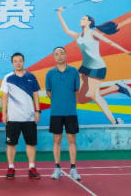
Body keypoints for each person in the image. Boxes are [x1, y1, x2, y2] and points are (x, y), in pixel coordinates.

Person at [56, 8, 131, 124]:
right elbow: (66, 30)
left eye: (83, 19)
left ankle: (114, 122)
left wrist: (126, 51)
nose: (81, 20)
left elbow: (109, 42)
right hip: (85, 67)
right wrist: (59, 13)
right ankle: (116, 87)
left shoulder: (93, 33)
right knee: (80, 99)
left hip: (97, 67)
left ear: (89, 22)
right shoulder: (78, 36)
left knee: (94, 95)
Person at [1, 52, 41, 180]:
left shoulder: (31, 77)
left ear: (23, 62)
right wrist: (4, 113)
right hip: (13, 118)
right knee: (11, 144)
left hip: (29, 117)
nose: (18, 63)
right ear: (12, 63)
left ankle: (32, 167)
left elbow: (36, 95)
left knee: (31, 143)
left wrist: (38, 111)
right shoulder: (8, 78)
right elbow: (4, 97)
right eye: (15, 61)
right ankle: (11, 167)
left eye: (20, 61)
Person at [46, 47, 82, 181]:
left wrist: (68, 102)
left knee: (72, 139)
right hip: (56, 112)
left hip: (70, 112)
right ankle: (57, 169)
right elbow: (49, 91)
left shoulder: (74, 72)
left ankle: (73, 169)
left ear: (66, 55)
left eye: (62, 53)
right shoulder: (50, 73)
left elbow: (76, 90)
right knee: (57, 140)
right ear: (54, 57)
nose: (59, 56)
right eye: (56, 54)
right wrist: (57, 101)